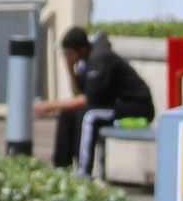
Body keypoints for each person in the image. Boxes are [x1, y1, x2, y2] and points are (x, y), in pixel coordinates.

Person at [32, 22, 155, 174]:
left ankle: (83, 173)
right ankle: (61, 169)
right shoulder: (84, 61)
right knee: (67, 114)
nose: (67, 57)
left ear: (81, 49)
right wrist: (69, 68)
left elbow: (88, 100)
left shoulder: (100, 59)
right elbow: (78, 95)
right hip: (114, 104)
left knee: (88, 115)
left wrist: (51, 106)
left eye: (69, 54)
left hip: (137, 106)